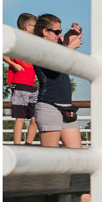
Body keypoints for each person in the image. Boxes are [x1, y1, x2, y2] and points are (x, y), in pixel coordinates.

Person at [32, 14, 84, 148]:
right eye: (56, 32)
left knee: (78, 157)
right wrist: (70, 48)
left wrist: (73, 32)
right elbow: (55, 68)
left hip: (67, 106)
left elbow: (66, 39)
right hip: (49, 106)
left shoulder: (57, 44)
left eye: (60, 31)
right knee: (50, 159)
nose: (58, 35)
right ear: (44, 31)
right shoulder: (38, 48)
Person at [4, 12, 38, 145]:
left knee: (35, 119)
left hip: (31, 84)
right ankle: (17, 146)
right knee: (20, 118)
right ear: (26, 26)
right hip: (19, 83)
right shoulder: (16, 40)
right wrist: (14, 65)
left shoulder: (32, 43)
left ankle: (28, 145)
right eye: (34, 26)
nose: (36, 28)